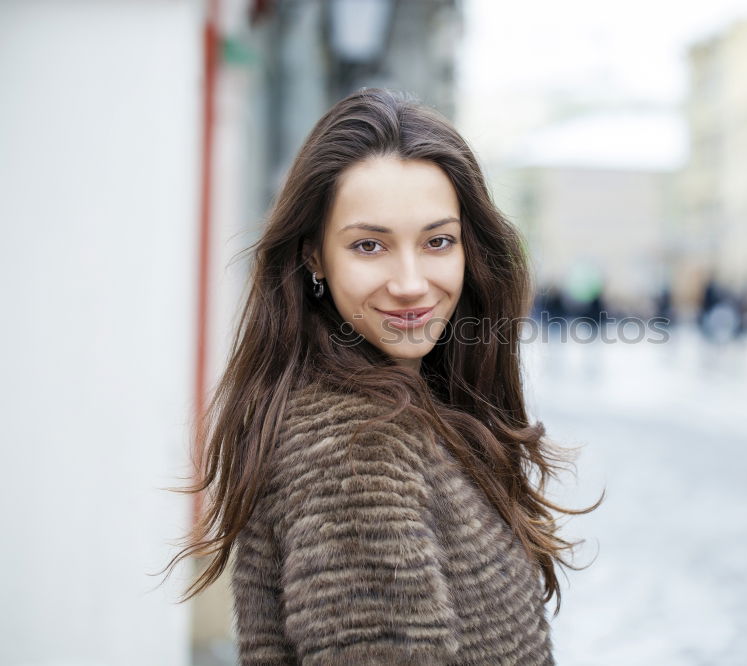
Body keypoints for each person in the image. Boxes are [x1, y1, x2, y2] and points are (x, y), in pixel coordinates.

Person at [158, 88, 599, 664]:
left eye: (437, 241)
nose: (411, 282)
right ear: (315, 256)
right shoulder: (356, 452)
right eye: (370, 246)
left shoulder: (420, 404)